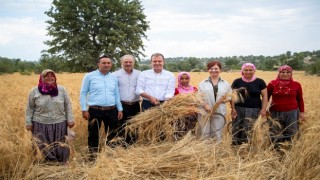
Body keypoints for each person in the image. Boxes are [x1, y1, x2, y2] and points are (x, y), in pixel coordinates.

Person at [26, 69, 74, 165]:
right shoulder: (34, 91)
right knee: (42, 144)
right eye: (46, 76)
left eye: (52, 76)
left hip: (59, 122)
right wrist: (28, 122)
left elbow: (67, 105)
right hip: (40, 123)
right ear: (42, 78)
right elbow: (30, 108)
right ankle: (46, 162)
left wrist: (70, 119)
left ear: (55, 77)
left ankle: (62, 162)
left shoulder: (62, 90)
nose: (50, 78)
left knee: (60, 144)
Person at [80, 55, 123, 158]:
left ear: (111, 65)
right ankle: (93, 156)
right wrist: (84, 109)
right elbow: (83, 93)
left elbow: (116, 93)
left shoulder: (114, 77)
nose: (106, 65)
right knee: (93, 134)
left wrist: (120, 108)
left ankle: (110, 154)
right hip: (95, 110)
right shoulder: (89, 76)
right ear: (98, 64)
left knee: (112, 133)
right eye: (103, 63)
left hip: (112, 110)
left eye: (108, 63)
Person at [231, 63, 268, 145]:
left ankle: (248, 147)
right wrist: (233, 109)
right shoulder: (237, 82)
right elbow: (233, 97)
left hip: (254, 110)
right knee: (237, 129)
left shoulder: (260, 82)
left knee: (250, 129)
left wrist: (263, 109)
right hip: (239, 109)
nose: (248, 72)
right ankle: (235, 147)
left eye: (250, 70)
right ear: (242, 71)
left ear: (254, 70)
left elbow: (265, 96)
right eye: (246, 70)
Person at [267, 65, 305, 144]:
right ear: (279, 73)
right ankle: (276, 150)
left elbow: (300, 99)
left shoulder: (296, 84)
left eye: (288, 72)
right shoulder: (272, 84)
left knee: (291, 132)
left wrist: (302, 112)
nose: (285, 74)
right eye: (282, 72)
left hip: (292, 113)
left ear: (291, 73)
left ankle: (289, 149)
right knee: (275, 132)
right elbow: (266, 98)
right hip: (274, 112)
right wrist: (264, 109)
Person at [197, 60, 233, 142]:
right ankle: (204, 149)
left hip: (219, 110)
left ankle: (216, 150)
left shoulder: (225, 84)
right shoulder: (202, 83)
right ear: (208, 70)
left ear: (220, 70)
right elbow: (198, 97)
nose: (214, 70)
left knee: (217, 131)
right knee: (204, 130)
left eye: (216, 68)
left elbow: (230, 96)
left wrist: (224, 100)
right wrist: (205, 105)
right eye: (211, 68)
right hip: (204, 110)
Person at [113, 54, 141, 144]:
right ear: (121, 63)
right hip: (121, 105)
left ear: (134, 63)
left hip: (135, 105)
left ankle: (132, 145)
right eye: (126, 62)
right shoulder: (115, 75)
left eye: (130, 62)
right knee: (120, 126)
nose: (128, 64)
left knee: (134, 126)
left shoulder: (139, 74)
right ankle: (121, 146)